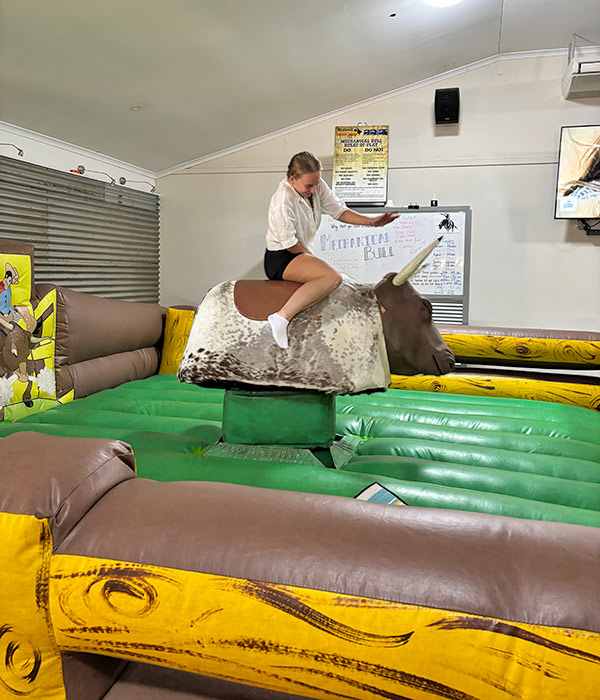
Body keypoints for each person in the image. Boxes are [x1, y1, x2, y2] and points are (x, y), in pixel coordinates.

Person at [264, 151, 397, 348]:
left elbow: (339, 211)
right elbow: (290, 244)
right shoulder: (282, 201)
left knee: (341, 280)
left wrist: (372, 222)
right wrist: (313, 259)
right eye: (308, 186)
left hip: (299, 251)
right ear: (292, 179)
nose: (313, 190)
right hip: (282, 257)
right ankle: (281, 317)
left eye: (316, 183)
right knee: (332, 277)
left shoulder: (316, 187)